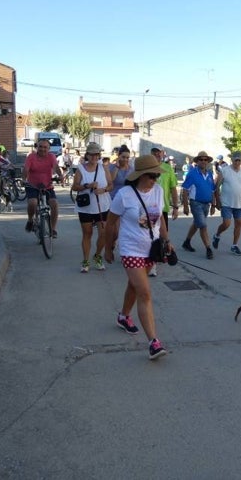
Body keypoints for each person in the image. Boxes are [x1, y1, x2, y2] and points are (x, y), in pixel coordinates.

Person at [104, 154, 173, 360]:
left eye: (156, 176)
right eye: (151, 176)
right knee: (145, 292)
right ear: (140, 176)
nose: (155, 179)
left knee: (135, 286)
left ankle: (123, 316)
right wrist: (108, 248)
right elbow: (110, 222)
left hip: (151, 249)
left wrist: (167, 240)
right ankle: (154, 342)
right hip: (131, 249)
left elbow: (159, 216)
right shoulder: (125, 194)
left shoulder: (158, 191)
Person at [71, 142, 113, 273]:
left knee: (104, 234)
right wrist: (87, 186)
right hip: (86, 207)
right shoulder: (81, 169)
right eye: (92, 154)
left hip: (103, 206)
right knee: (87, 234)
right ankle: (85, 260)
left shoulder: (104, 168)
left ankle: (97, 256)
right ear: (87, 155)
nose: (95, 157)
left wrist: (104, 190)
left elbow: (111, 185)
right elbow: (74, 187)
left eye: (97, 154)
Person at [211, 152, 241, 256]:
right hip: (226, 202)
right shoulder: (224, 171)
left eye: (239, 160)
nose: (237, 162)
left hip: (240, 203)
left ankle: (234, 245)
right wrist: (217, 200)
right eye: (236, 160)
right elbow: (216, 187)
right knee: (226, 223)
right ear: (232, 160)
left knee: (239, 224)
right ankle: (217, 235)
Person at [149, 145, 180, 276]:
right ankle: (152, 264)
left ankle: (157, 256)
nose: (157, 154)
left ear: (163, 153)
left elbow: (173, 188)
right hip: (148, 209)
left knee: (161, 236)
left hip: (163, 208)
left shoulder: (168, 168)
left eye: (159, 152)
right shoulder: (147, 167)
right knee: (151, 236)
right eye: (154, 152)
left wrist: (176, 207)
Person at [180, 150, 217, 259]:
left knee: (197, 223)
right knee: (203, 225)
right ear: (197, 161)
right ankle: (208, 248)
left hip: (206, 204)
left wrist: (213, 205)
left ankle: (187, 242)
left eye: (205, 159)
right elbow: (185, 189)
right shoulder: (192, 173)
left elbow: (212, 191)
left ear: (208, 161)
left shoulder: (210, 174)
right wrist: (186, 206)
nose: (203, 161)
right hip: (195, 203)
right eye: (201, 159)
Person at [23, 138, 62, 237]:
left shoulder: (51, 157)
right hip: (33, 185)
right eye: (40, 146)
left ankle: (53, 229)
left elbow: (56, 167)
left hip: (47, 186)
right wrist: (23, 179)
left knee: (54, 204)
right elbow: (26, 169)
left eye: (45, 147)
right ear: (37, 147)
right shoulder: (31, 157)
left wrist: (60, 176)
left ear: (49, 148)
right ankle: (30, 220)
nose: (42, 149)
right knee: (33, 202)